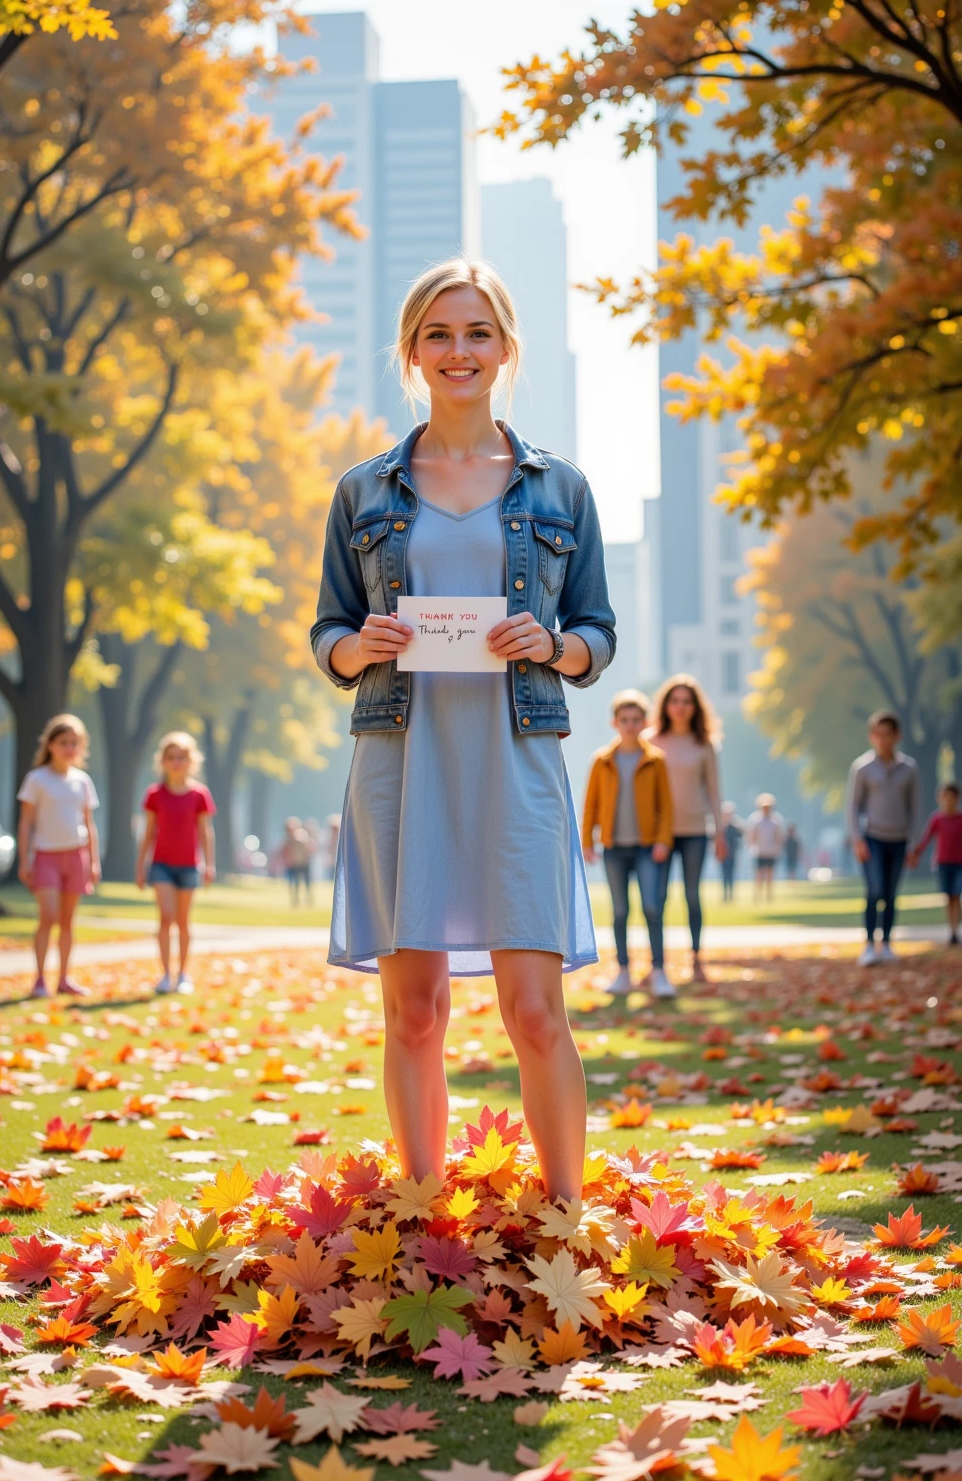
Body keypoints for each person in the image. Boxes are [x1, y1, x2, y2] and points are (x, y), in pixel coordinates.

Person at [310, 257, 615, 1201]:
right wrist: (355, 648)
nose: (459, 350)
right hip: (401, 758)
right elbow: (327, 628)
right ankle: (420, 1210)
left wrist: (557, 644)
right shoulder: (364, 491)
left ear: (506, 349)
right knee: (414, 1013)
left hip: (515, 757)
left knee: (534, 1009)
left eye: (477, 332)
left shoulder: (559, 488)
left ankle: (566, 1215)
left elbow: (598, 630)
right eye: (440, 334)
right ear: (412, 352)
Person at [581, 689, 674, 999]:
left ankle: (659, 971)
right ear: (614, 722)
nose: (631, 725)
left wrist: (663, 841)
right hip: (614, 848)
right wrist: (587, 842)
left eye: (636, 720)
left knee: (652, 907)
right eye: (625, 720)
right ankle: (623, 972)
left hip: (648, 847)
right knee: (620, 911)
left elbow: (666, 806)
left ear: (645, 722)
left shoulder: (655, 761)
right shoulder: (602, 761)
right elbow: (590, 805)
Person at [645, 675, 726, 982]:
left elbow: (715, 792)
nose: (680, 707)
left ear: (695, 707)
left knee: (692, 896)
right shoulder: (650, 741)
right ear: (666, 705)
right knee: (657, 898)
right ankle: (658, 965)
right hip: (660, 835)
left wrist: (719, 832)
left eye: (686, 702)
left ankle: (696, 959)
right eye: (675, 701)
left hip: (695, 832)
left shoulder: (706, 744)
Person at [16, 714, 101, 999]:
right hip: (46, 856)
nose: (70, 748)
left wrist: (93, 860)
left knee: (67, 921)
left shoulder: (82, 781)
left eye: (75, 743)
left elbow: (89, 824)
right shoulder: (37, 779)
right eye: (64, 742)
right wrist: (24, 860)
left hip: (75, 856)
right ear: (51, 744)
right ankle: (40, 978)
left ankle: (64, 978)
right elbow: (26, 822)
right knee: (48, 917)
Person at [135, 731, 216, 995]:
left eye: (181, 757)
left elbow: (205, 832)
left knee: (183, 921)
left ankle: (183, 974)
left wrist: (209, 863)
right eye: (171, 757)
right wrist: (140, 866)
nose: (176, 762)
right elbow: (147, 833)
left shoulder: (199, 794)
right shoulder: (154, 794)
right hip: (161, 865)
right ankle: (165, 975)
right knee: (166, 917)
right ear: (163, 761)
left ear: (190, 761)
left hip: (189, 866)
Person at [847, 709, 922, 966]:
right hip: (872, 839)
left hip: (899, 839)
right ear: (872, 737)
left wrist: (913, 844)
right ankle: (869, 945)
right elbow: (853, 807)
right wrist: (857, 839)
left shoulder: (908, 769)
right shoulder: (863, 768)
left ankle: (887, 944)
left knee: (890, 893)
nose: (882, 739)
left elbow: (915, 809)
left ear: (896, 736)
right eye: (877, 734)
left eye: (887, 734)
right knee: (874, 890)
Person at [910, 782, 962, 946]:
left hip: (959, 863)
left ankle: (955, 928)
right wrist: (916, 853)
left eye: (951, 797)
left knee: (957, 894)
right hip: (943, 863)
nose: (948, 800)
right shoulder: (937, 819)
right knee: (949, 896)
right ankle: (952, 931)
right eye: (945, 797)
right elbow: (926, 839)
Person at [745, 792, 786, 902]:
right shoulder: (755, 819)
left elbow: (779, 836)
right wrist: (752, 847)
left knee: (769, 875)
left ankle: (769, 895)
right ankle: (757, 895)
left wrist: (778, 847)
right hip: (759, 851)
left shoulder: (776, 820)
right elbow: (751, 836)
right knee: (759, 874)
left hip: (771, 851)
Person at [274, 817, 314, 906]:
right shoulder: (287, 838)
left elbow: (308, 848)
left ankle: (308, 899)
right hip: (293, 863)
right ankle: (295, 900)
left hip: (303, 863)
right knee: (294, 882)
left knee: (306, 882)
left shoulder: (300, 836)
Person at [719, 802, 742, 900]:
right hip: (723, 854)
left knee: (731, 875)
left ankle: (731, 895)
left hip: (732, 854)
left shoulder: (734, 827)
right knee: (724, 875)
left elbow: (742, 833)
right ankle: (725, 895)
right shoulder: (720, 827)